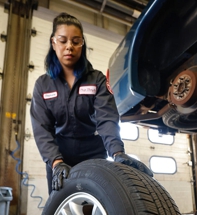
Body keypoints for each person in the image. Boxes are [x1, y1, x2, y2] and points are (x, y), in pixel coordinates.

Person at [30, 12, 153, 194]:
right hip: (60, 155)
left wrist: (117, 153)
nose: (69, 47)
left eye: (76, 41)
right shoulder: (43, 85)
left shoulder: (97, 80)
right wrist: (56, 162)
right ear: (53, 42)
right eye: (63, 41)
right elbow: (42, 129)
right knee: (61, 207)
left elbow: (107, 119)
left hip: (93, 153)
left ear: (82, 44)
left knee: (94, 203)